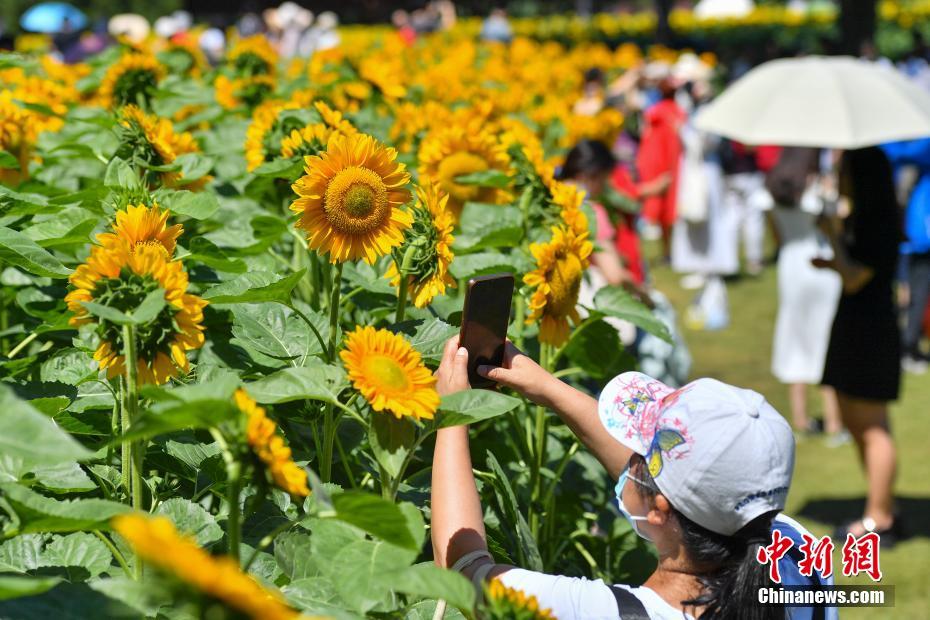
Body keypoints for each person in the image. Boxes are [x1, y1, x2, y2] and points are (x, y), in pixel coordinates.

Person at [432, 339, 834, 619]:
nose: (632, 459)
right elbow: (689, 490)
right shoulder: (797, 553)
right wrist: (549, 389)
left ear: (659, 510)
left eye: (642, 455)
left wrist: (453, 413)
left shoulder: (604, 612)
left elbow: (461, 570)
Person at [815, 147, 903, 545]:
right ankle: (882, 503)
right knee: (854, 419)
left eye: (844, 170)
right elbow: (856, 271)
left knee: (871, 425)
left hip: (872, 329)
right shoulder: (864, 216)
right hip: (855, 323)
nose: (840, 177)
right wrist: (834, 254)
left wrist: (833, 236)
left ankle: (879, 518)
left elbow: (858, 278)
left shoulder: (879, 220)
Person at [764, 148, 845, 442]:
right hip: (821, 264)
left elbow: (776, 235)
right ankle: (834, 422)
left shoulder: (773, 191)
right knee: (826, 340)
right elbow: (836, 228)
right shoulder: (819, 192)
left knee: (794, 337)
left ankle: (799, 419)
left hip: (791, 266)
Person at [881, 138, 930, 374]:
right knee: (913, 290)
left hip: (919, 230)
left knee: (916, 290)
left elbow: (902, 154)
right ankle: (907, 346)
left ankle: (908, 344)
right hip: (919, 232)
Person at [636, 77, 685, 262]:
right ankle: (671, 252)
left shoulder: (656, 112)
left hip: (662, 165)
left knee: (666, 211)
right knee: (671, 210)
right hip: (673, 165)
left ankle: (668, 252)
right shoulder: (677, 112)